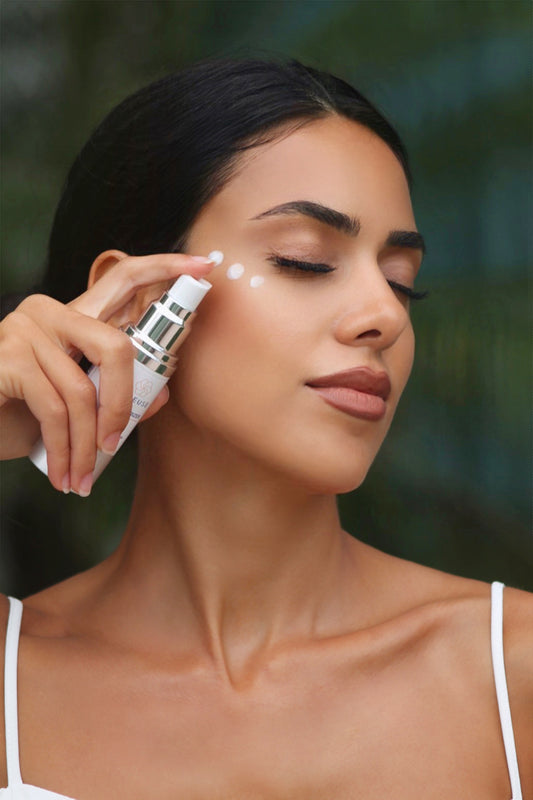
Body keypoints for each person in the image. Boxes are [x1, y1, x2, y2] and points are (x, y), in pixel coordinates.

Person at [0, 56, 531, 800]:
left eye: (401, 280)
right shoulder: (10, 678)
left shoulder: (512, 672)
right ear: (131, 305)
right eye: (304, 261)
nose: (383, 314)